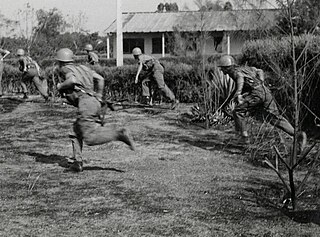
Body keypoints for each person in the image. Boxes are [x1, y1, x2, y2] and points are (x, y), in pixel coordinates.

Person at [55, 48, 135, 172]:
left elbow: (72, 80)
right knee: (75, 131)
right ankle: (77, 162)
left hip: (86, 103)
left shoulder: (66, 69)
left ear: (60, 62)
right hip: (94, 101)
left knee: (90, 138)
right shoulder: (83, 68)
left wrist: (60, 86)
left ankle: (119, 134)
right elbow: (100, 79)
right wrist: (98, 95)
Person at [217, 55, 307, 151]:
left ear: (227, 67)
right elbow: (259, 71)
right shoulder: (245, 68)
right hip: (265, 92)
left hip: (256, 94)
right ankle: (298, 134)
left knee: (238, 112)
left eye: (222, 69)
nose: (221, 71)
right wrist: (261, 83)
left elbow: (240, 78)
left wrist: (239, 93)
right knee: (274, 118)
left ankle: (244, 139)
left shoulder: (234, 72)